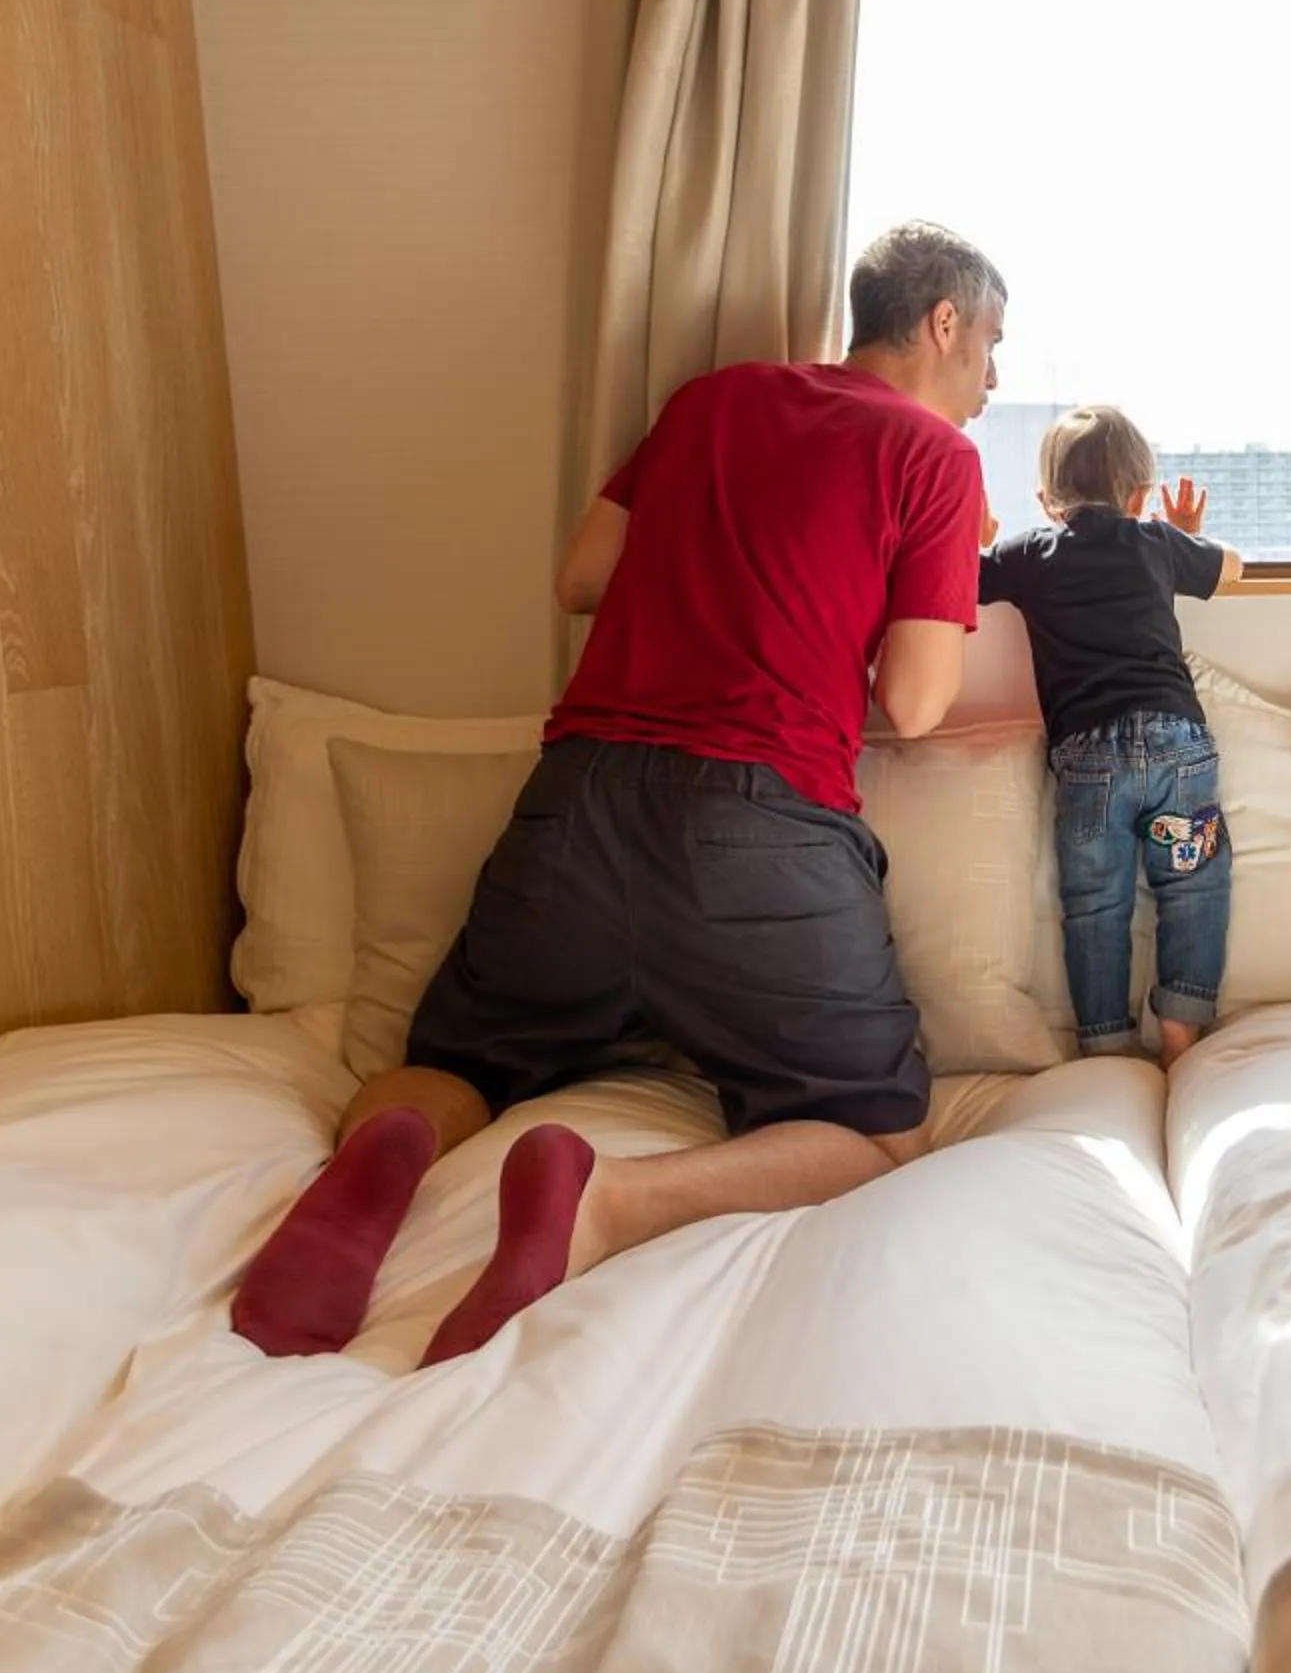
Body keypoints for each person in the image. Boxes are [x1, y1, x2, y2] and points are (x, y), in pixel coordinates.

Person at [231, 221, 1006, 1368]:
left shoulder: (712, 399)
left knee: (455, 1062)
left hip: (577, 804)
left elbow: (581, 577)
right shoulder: (935, 460)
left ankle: (373, 1168)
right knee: (880, 1136)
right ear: (943, 323)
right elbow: (920, 700)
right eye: (993, 345)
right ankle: (606, 1203)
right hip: (760, 831)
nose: (995, 378)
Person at [979, 407, 1243, 1064]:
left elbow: (966, 579)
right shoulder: (1153, 541)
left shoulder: (1028, 554)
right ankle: (1182, 1023)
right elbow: (1233, 569)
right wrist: (1185, 537)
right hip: (1177, 743)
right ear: (1138, 497)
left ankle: (1106, 1042)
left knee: (1096, 902)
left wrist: (976, 539)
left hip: (1089, 757)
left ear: (1046, 502)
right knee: (1194, 884)